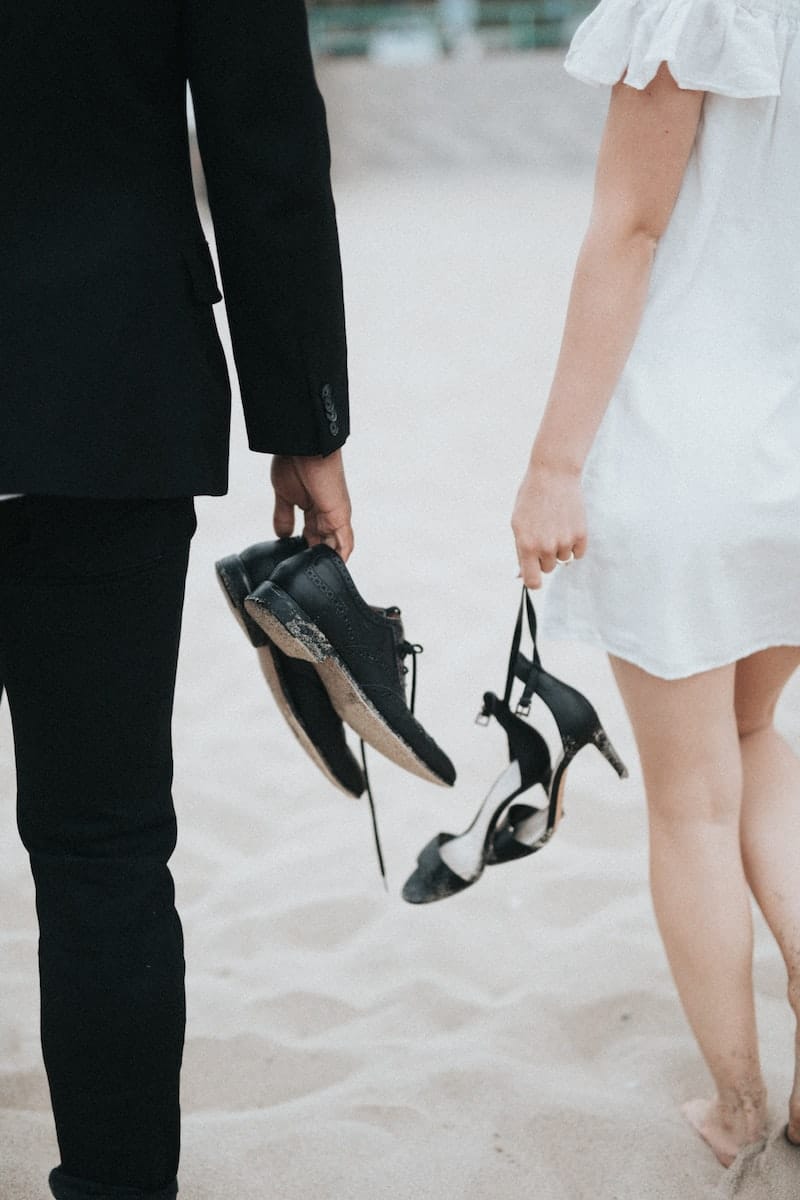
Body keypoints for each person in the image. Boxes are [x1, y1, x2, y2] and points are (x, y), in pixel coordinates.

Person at [0, 4, 352, 1198]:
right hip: (108, 385)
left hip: (113, 401)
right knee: (102, 848)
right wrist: (304, 425)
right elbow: (265, 140)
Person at [511, 0, 800, 1169]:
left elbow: (628, 230)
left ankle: (735, 1106)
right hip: (791, 440)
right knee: (751, 731)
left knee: (690, 799)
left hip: (688, 439)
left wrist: (549, 465)